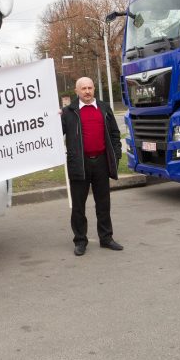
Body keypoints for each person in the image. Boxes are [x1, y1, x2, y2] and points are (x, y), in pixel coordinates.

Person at [61, 76, 123, 256]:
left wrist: (116, 155)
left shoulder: (104, 108)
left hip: (102, 162)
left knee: (103, 203)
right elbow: (56, 134)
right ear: (76, 91)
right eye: (83, 89)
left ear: (94, 89)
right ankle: (80, 240)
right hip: (79, 164)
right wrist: (53, 118)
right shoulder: (68, 112)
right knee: (78, 205)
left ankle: (106, 238)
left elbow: (114, 133)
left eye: (90, 88)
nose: (87, 91)